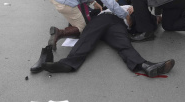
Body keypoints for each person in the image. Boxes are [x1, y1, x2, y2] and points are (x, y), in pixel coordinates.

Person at [40, 5, 175, 78]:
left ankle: (145, 66)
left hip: (118, 25)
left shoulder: (148, 22)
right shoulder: (134, 7)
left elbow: (143, 26)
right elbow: (130, 14)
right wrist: (132, 14)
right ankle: (68, 64)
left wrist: (151, 23)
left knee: (124, 45)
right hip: (106, 17)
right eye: (158, 19)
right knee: (87, 39)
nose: (158, 20)